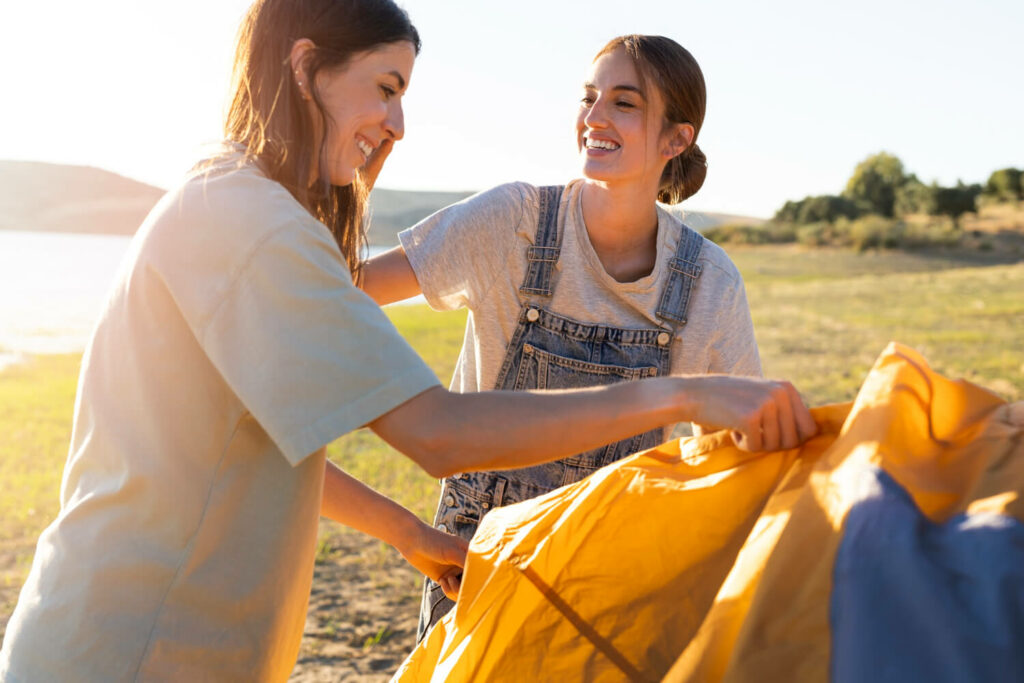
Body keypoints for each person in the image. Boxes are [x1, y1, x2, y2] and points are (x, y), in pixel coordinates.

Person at [0, 2, 815, 680]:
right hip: (141, 645)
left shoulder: (237, 203)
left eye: (625, 102)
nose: (399, 122)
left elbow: (267, 440)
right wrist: (680, 392)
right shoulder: (256, 227)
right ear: (305, 65)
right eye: (385, 89)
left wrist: (410, 535)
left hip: (161, 641)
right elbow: (436, 432)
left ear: (679, 136)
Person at [359, 35, 768, 636]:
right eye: (588, 96)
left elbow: (730, 466)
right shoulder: (514, 222)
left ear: (676, 139)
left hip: (618, 576)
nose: (594, 117)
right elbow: (345, 287)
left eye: (624, 103)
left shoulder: (709, 283)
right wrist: (349, 185)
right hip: (476, 562)